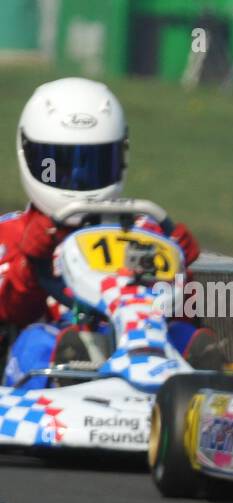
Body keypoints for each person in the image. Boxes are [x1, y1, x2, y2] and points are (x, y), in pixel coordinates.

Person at [0, 78, 205, 381]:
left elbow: (183, 310)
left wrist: (178, 272)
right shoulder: (10, 235)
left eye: (93, 163)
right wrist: (29, 266)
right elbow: (9, 311)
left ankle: (200, 385)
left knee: (183, 334)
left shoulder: (142, 231)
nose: (80, 176)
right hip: (48, 391)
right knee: (37, 340)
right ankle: (72, 356)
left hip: (138, 359)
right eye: (62, 164)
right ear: (30, 155)